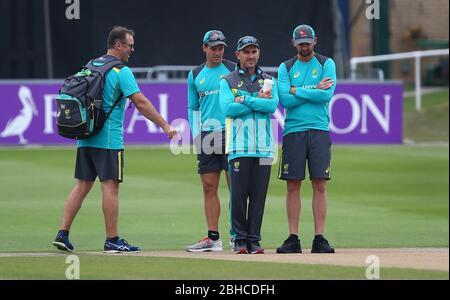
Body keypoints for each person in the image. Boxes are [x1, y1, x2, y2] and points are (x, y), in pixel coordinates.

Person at [52, 26, 178, 253]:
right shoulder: (121, 71)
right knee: (110, 188)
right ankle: (112, 239)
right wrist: (165, 125)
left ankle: (62, 233)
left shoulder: (92, 65)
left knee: (82, 186)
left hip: (85, 136)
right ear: (118, 45)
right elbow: (140, 102)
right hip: (108, 140)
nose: (132, 50)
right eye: (129, 45)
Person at [276, 24, 336, 254]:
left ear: (315, 41)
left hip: (319, 129)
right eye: (300, 42)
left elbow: (326, 95)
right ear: (294, 43)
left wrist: (295, 89)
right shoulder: (286, 67)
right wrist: (311, 90)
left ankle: (319, 237)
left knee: (319, 183)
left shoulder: (326, 63)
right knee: (293, 184)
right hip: (294, 131)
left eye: (308, 42)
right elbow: (284, 101)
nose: (304, 46)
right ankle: (293, 237)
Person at [220, 36, 279, 254]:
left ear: (258, 53)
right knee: (238, 196)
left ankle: (254, 240)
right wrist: (258, 102)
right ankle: (239, 240)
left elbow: (272, 105)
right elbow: (227, 109)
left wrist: (245, 100)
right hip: (238, 147)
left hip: (263, 147)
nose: (251, 56)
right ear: (238, 55)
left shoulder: (268, 80)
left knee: (258, 196)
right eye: (246, 52)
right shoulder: (228, 80)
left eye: (254, 51)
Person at [185, 30, 236, 252]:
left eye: (221, 48)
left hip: (232, 132)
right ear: (204, 47)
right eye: (214, 48)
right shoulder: (195, 74)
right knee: (208, 187)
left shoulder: (234, 69)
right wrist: (196, 134)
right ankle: (213, 238)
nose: (218, 52)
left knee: (236, 186)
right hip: (207, 135)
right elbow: (193, 107)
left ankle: (238, 235)